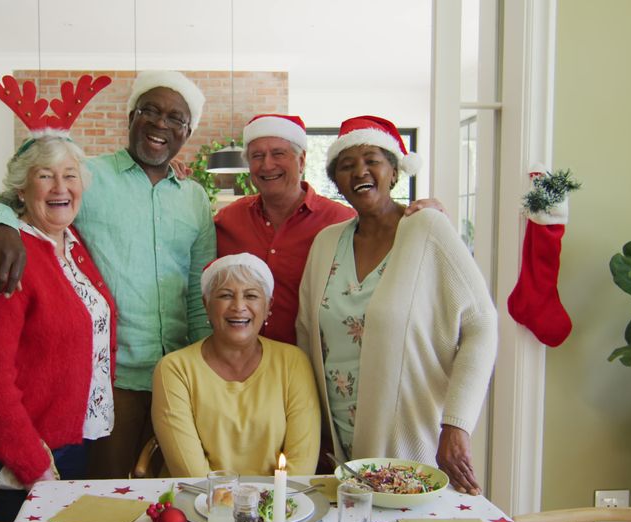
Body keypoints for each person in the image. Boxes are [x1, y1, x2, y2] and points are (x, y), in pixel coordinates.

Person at [0, 71, 215, 479]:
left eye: (175, 118)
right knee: (104, 503)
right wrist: (0, 227)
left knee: (172, 503)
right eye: (149, 111)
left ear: (188, 132)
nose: (160, 124)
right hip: (109, 380)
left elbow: (197, 292)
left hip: (179, 380)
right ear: (131, 117)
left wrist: (205, 376)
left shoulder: (195, 198)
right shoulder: (88, 177)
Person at [296, 116, 497, 495]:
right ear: (336, 182)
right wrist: (315, 429)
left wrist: (456, 424)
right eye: (346, 165)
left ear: (394, 171)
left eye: (372, 159)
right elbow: (307, 334)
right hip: (338, 445)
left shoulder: (427, 229)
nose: (360, 171)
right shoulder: (325, 243)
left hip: (411, 439)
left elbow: (481, 322)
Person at [0, 135, 118, 522]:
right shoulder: (6, 258)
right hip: (27, 453)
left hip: (74, 439)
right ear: (21, 191)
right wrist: (33, 466)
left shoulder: (72, 245)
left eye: (70, 175)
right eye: (45, 176)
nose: (61, 187)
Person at [215, 114, 445, 346]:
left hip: (313, 367)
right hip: (240, 366)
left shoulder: (342, 222)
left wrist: (428, 217)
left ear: (302, 161)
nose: (267, 164)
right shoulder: (226, 221)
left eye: (278, 153)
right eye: (257, 156)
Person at [153, 253, 320, 477]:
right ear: (206, 304)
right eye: (225, 295)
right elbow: (191, 473)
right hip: (200, 505)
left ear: (268, 305)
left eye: (251, 296)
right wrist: (232, 508)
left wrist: (268, 508)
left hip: (281, 506)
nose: (239, 306)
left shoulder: (293, 362)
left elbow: (302, 466)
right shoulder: (175, 369)